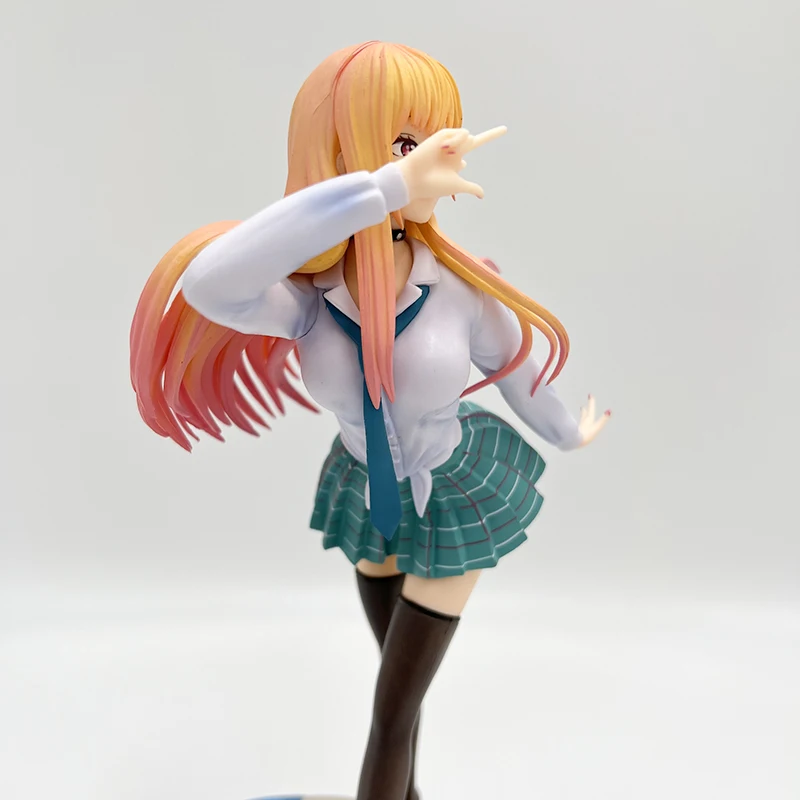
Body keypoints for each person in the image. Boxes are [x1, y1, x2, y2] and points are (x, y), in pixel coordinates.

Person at [130, 40, 610, 800]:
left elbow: (518, 371)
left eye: (438, 136)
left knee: (392, 713)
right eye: (407, 141)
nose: (442, 157)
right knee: (400, 705)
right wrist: (386, 187)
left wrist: (567, 431)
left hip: (453, 492)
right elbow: (208, 282)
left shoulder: (460, 291)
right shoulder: (307, 303)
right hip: (364, 492)